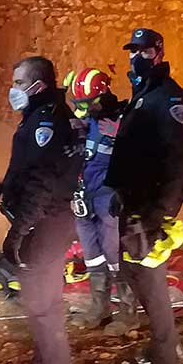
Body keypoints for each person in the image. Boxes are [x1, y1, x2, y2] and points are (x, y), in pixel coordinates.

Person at [0, 56, 83, 364]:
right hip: (52, 219)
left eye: (18, 82)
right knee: (47, 301)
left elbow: (42, 183)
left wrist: (18, 231)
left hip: (44, 223)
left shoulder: (45, 123)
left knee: (42, 306)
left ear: (37, 85)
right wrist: (5, 188)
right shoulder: (48, 116)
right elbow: (38, 170)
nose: (13, 90)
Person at [105, 28, 183, 364]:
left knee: (151, 281)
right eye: (132, 50)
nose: (135, 56)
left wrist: (161, 214)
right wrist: (118, 190)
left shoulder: (169, 97)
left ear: (158, 52)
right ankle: (164, 344)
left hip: (150, 209)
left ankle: (165, 361)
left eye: (142, 50)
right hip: (133, 203)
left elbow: (178, 162)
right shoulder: (142, 95)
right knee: (134, 272)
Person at [62, 67, 134, 332]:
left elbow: (144, 157)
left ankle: (128, 312)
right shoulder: (87, 121)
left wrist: (121, 135)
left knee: (115, 254)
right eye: (77, 103)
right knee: (92, 256)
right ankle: (99, 307)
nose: (81, 108)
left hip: (108, 197)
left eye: (86, 103)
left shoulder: (122, 120)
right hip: (84, 197)